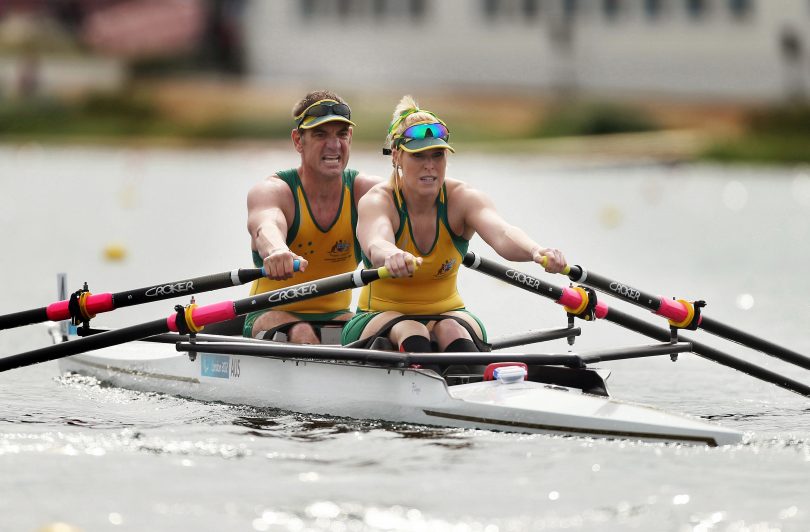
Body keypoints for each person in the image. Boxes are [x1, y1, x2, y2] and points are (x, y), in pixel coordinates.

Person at [341, 95, 566, 353]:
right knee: (411, 329)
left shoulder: (463, 198)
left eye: (438, 155)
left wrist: (536, 251)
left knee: (452, 329)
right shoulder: (378, 200)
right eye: (419, 156)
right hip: (377, 316)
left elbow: (502, 232)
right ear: (396, 157)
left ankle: (468, 385)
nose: (430, 166)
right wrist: (391, 254)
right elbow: (376, 241)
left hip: (449, 313)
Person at [244, 90, 380, 343]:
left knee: (377, 331)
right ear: (298, 140)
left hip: (337, 316)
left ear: (350, 138)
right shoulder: (275, 190)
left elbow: (412, 202)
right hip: (272, 314)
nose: (334, 145)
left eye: (341, 134)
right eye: (320, 135)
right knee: (302, 331)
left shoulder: (367, 191)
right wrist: (276, 251)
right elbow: (266, 225)